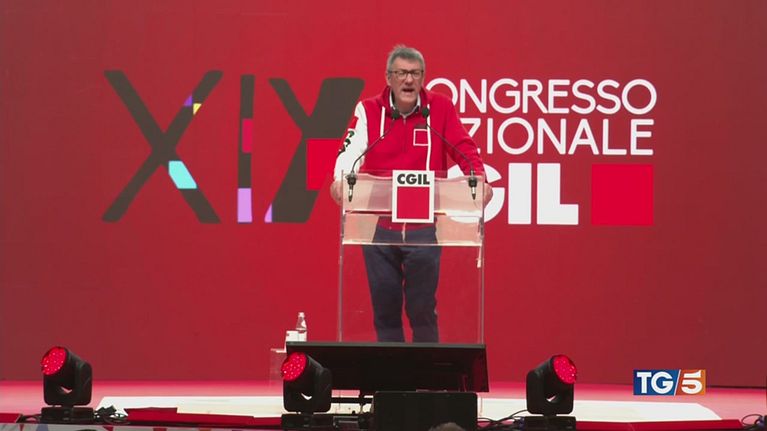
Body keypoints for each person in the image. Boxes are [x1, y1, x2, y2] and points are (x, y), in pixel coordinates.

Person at [331, 45, 491, 343]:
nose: (408, 80)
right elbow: (350, 151)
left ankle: (428, 371)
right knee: (385, 310)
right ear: (388, 78)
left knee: (422, 310)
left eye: (415, 74)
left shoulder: (440, 108)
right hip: (379, 230)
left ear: (423, 78)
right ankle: (391, 372)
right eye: (402, 73)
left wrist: (478, 177)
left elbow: (464, 148)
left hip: (424, 231)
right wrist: (340, 179)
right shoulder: (368, 110)